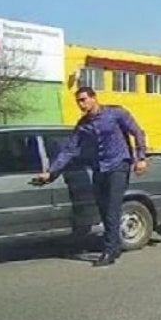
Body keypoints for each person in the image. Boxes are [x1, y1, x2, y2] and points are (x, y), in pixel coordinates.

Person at [36, 86, 148, 267]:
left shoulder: (115, 113)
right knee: (103, 208)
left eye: (84, 100)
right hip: (99, 168)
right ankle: (115, 244)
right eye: (78, 101)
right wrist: (51, 172)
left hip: (119, 165)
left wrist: (141, 157)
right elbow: (70, 150)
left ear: (94, 98)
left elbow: (137, 132)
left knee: (112, 206)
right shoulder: (83, 125)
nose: (81, 104)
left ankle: (109, 250)